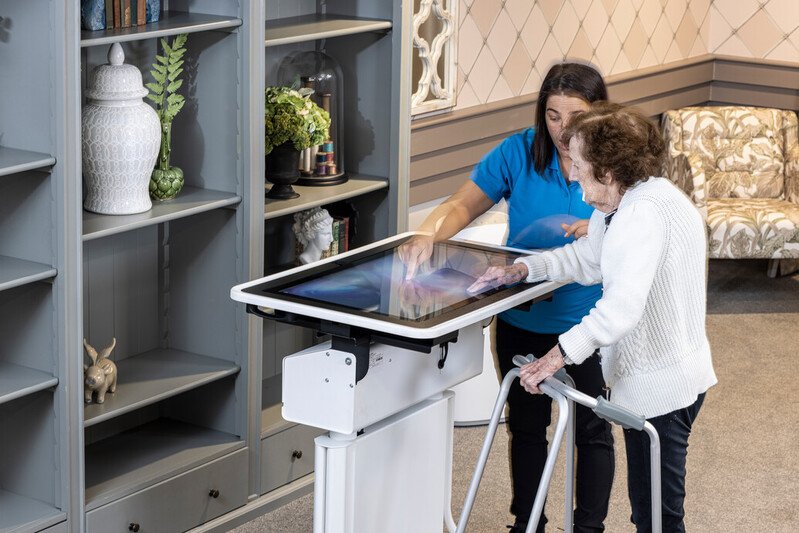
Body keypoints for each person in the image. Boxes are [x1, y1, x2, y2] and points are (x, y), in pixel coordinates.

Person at [468, 102, 718, 533]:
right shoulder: (622, 204)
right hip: (664, 377)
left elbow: (620, 309)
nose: (570, 174)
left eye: (579, 165)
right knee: (650, 510)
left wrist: (555, 357)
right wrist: (524, 269)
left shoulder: (641, 215)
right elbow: (588, 257)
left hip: (662, 389)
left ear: (606, 170)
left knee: (657, 516)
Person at [399, 62, 614, 533]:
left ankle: (589, 529)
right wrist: (427, 235)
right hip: (521, 317)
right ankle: (527, 524)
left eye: (574, 115)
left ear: (598, 113)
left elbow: (640, 224)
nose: (561, 128)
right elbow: (462, 203)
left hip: (586, 321)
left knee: (591, 430)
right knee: (526, 425)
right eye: (552, 115)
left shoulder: (613, 160)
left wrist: (601, 227)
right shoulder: (519, 151)